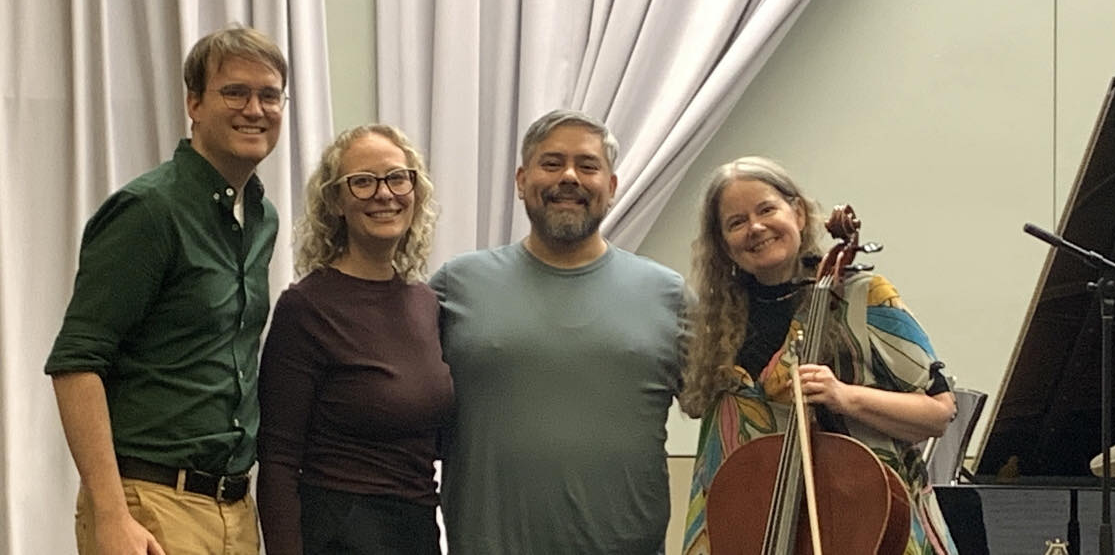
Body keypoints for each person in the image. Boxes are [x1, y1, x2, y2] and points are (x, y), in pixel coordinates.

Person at [45, 26, 288, 555]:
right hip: (150, 507)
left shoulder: (261, 218)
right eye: (235, 92)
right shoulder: (149, 211)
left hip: (233, 511)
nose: (255, 108)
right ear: (193, 103)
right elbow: (76, 364)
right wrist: (111, 515)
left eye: (270, 95)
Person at [430, 109, 688, 554]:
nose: (569, 176)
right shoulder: (457, 285)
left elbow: (732, 407)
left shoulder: (668, 293)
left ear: (611, 187)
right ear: (521, 179)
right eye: (551, 163)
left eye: (587, 166)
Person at [679, 156, 960, 554]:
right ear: (722, 243)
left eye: (766, 209)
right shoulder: (715, 318)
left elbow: (938, 412)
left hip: (864, 530)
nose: (755, 228)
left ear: (796, 212)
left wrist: (844, 396)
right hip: (747, 533)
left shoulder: (863, 296)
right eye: (736, 222)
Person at [256, 124, 453, 554]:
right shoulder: (306, 308)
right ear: (336, 202)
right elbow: (278, 462)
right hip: (337, 534)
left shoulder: (425, 303)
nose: (384, 194)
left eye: (397, 178)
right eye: (362, 182)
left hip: (417, 532)